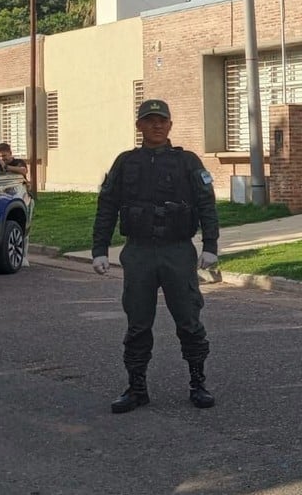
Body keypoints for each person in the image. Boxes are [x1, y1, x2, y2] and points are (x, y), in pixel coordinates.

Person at [91, 99, 221, 414]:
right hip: (138, 252)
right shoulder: (125, 162)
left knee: (189, 320)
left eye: (162, 120)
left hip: (178, 251)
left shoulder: (188, 162)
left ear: (170, 125)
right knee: (137, 323)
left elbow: (206, 204)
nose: (157, 125)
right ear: (139, 126)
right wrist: (99, 249)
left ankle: (198, 383)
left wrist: (211, 245)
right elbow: (107, 206)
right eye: (150, 120)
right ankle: (136, 388)